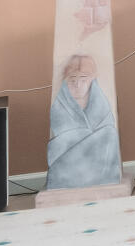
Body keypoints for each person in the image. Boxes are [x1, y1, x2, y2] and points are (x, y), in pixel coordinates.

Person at [46, 52, 121, 190]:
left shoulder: (100, 101)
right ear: (65, 80)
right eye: (72, 80)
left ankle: (102, 180)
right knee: (64, 142)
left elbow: (108, 127)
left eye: (83, 79)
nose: (78, 85)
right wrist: (91, 136)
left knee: (110, 133)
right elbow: (62, 137)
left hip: (96, 157)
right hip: (68, 156)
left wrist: (90, 136)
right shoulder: (59, 104)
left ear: (92, 80)